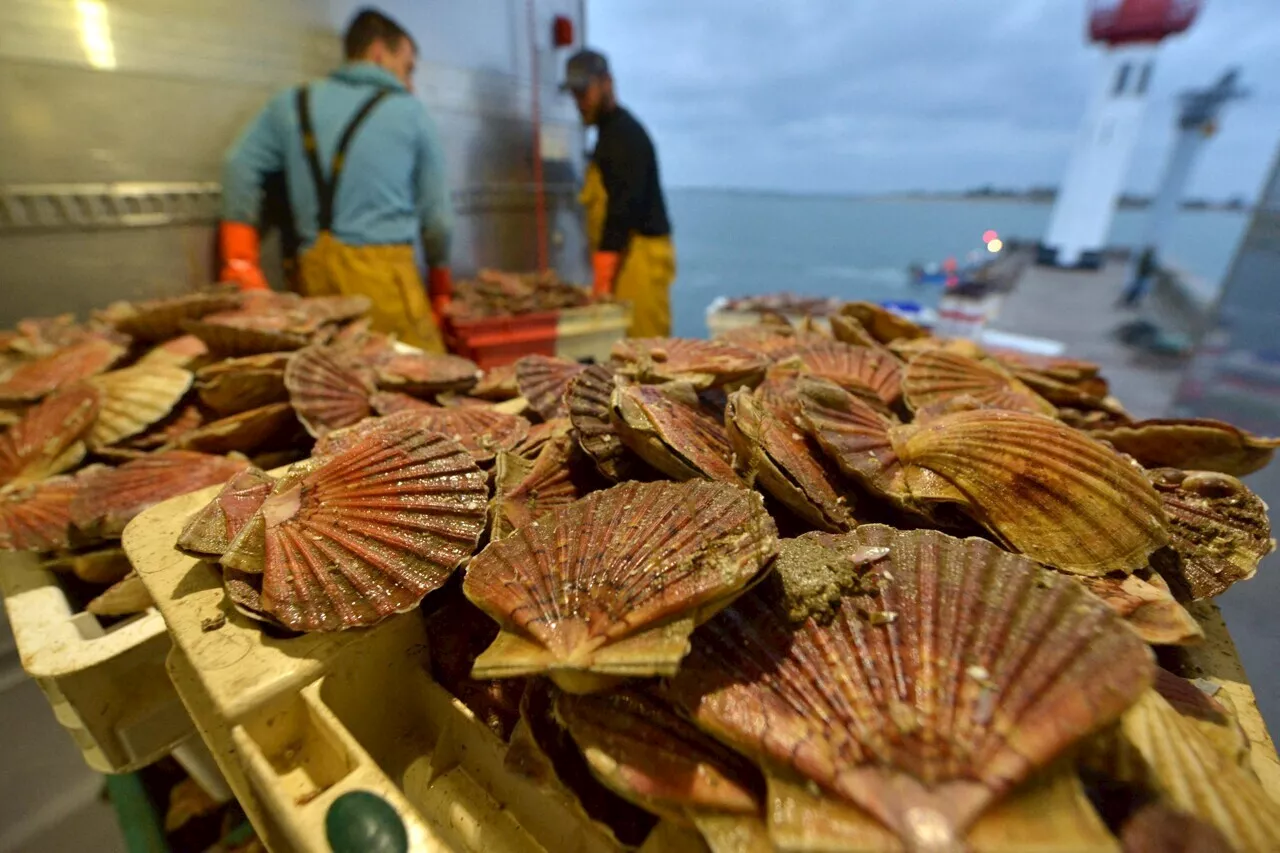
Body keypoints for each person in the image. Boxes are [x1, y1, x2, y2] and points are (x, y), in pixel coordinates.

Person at [219, 8, 453, 352]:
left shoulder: (290, 104)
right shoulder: (410, 112)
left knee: (332, 389)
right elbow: (438, 221)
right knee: (423, 388)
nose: (410, 82)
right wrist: (441, 288)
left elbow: (237, 166)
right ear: (378, 52)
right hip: (386, 284)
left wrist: (240, 264)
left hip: (313, 280)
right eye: (408, 67)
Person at [563, 49, 675, 338]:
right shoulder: (606, 136)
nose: (579, 102)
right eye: (574, 94)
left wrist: (601, 281)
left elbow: (621, 213)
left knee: (648, 354)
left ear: (606, 83)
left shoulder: (624, 136)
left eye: (583, 91)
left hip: (640, 261)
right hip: (624, 260)